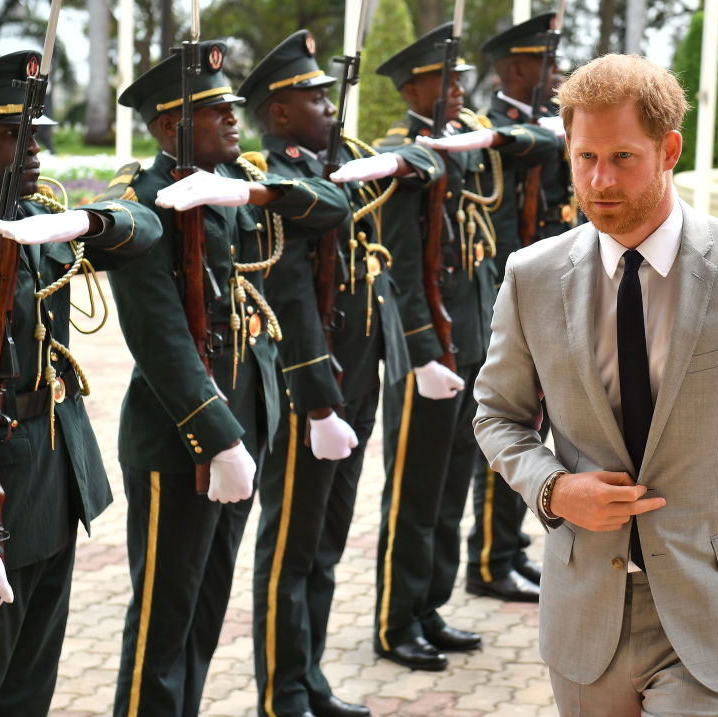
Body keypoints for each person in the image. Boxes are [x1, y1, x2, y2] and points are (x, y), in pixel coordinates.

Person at [472, 54, 718, 716]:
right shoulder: (530, 277)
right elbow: (496, 414)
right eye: (585, 158)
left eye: (623, 157)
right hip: (585, 614)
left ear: (669, 150)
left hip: (717, 605)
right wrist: (551, 487)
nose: (600, 180)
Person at [0, 51, 160, 716]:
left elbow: (146, 228)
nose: (34, 148)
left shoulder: (43, 221)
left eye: (36, 132)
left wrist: (83, 222)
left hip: (52, 489)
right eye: (12, 134)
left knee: (27, 695)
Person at [111, 41, 348, 717]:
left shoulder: (235, 185)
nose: (232, 119)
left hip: (245, 425)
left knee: (203, 616)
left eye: (232, 108)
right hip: (179, 439)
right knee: (163, 620)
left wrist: (250, 188)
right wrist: (217, 438)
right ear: (166, 127)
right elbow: (161, 340)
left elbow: (331, 204)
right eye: (214, 110)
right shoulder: (146, 204)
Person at [238, 30, 446, 717]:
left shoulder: (341, 160)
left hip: (359, 381)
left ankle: (311, 680)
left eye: (329, 95)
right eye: (313, 98)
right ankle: (281, 693)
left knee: (326, 547)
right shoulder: (273, 182)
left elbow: (423, 158)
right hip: (314, 391)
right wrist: (320, 402)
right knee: (291, 549)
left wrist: (368, 167)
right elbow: (293, 295)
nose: (329, 106)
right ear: (277, 115)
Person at [371, 23, 559, 671]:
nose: (456, 90)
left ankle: (429, 606)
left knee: (451, 485)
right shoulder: (400, 155)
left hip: (470, 342)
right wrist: (424, 352)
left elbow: (534, 142)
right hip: (430, 355)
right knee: (414, 493)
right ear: (412, 86)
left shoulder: (467, 142)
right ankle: (397, 621)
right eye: (443, 81)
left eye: (458, 79)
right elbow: (402, 267)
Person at [466, 11, 580, 604]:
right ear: (514, 69)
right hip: (515, 299)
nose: (556, 72)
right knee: (511, 425)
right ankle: (488, 558)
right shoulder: (497, 131)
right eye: (545, 64)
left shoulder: (539, 125)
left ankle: (508, 549)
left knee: (537, 424)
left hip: (552, 296)